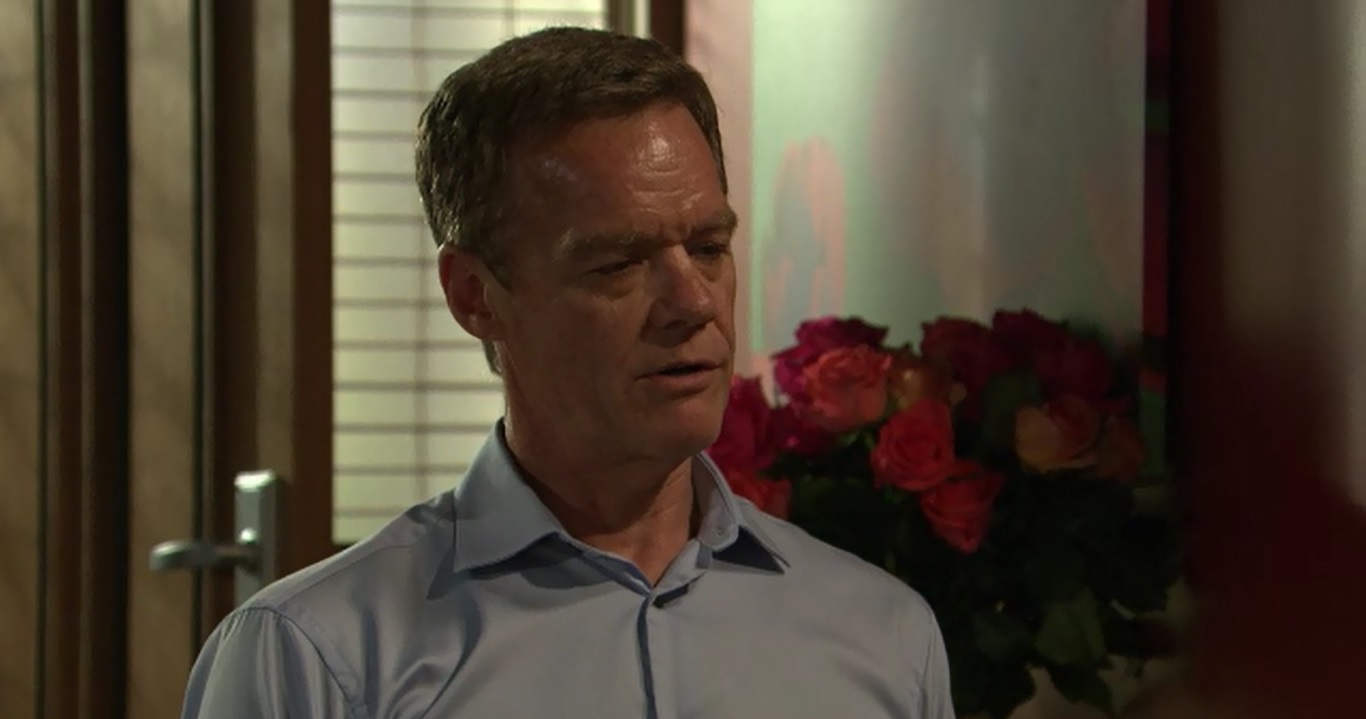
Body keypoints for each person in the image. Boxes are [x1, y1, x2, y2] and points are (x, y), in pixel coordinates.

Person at [181, 27, 955, 719]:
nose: (692, 302)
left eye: (708, 248)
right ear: (475, 296)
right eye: (618, 263)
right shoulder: (319, 656)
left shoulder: (882, 636)